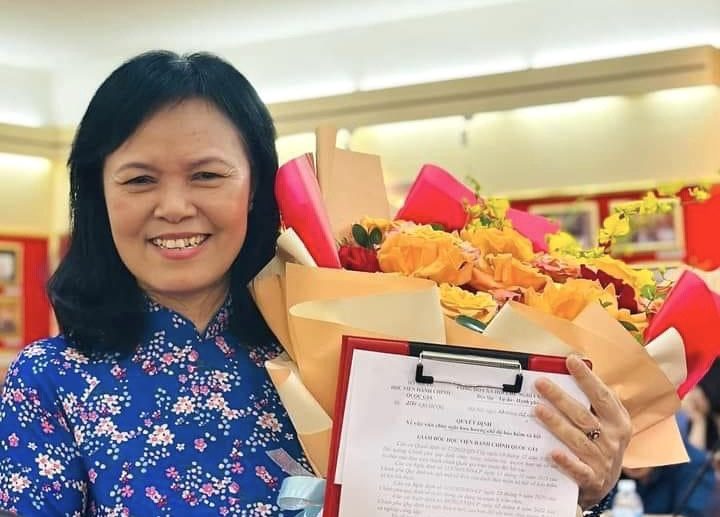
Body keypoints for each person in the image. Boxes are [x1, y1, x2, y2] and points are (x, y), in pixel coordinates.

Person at [0, 50, 631, 516]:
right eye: (139, 180)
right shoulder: (51, 380)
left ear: (257, 187)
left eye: (207, 175)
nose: (173, 207)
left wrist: (579, 485)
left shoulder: (351, 334)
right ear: (98, 195)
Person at [621, 413, 716, 517]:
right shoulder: (611, 462)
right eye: (627, 444)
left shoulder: (694, 463)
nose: (634, 458)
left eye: (642, 443)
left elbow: (691, 514)